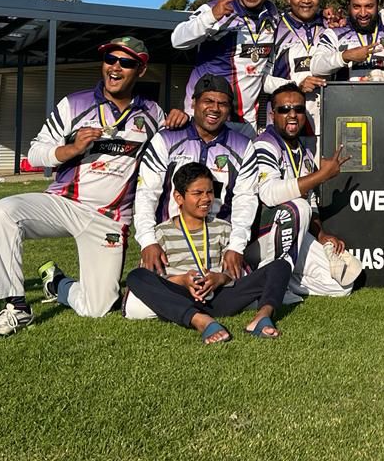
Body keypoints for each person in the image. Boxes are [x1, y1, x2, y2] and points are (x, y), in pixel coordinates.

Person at [0, 36, 187, 339]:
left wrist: (181, 119)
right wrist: (72, 148)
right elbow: (36, 152)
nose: (115, 67)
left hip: (110, 219)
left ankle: (57, 283)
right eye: (110, 60)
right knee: (3, 212)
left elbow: (175, 146)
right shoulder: (74, 103)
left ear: (140, 70)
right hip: (64, 204)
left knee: (98, 307)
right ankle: (16, 307)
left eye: (126, 62)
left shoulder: (153, 115)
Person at [125, 164, 290, 342]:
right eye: (198, 193)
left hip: (219, 296)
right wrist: (182, 280)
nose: (206, 199)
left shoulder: (223, 228)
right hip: (180, 295)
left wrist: (219, 278)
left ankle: (261, 318)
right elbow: (155, 279)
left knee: (281, 266)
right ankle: (200, 320)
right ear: (179, 198)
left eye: (210, 192)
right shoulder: (160, 233)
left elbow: (233, 272)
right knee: (136, 276)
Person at [133, 74, 258, 282]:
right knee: (142, 306)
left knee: (246, 296)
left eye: (223, 104)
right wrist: (148, 241)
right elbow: (147, 193)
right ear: (193, 102)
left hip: (219, 239)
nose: (215, 109)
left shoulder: (243, 146)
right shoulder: (166, 138)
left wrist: (235, 246)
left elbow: (245, 199)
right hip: (171, 239)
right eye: (208, 101)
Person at [253, 84, 363, 296]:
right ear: (272, 114)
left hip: (292, 233)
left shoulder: (304, 151)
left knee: (341, 288)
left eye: (299, 109)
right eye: (284, 109)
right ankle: (269, 283)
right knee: (298, 207)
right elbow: (268, 194)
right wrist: (322, 175)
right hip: (261, 238)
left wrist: (321, 234)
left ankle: (275, 281)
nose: (292, 115)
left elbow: (311, 200)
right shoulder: (264, 144)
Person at [171, 0, 290, 134]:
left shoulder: (272, 16)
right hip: (207, 118)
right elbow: (178, 40)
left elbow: (259, 75)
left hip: (246, 123)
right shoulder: (218, 8)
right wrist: (212, 16)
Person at [310, 0, 384, 82]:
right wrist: (344, 57)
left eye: (369, 6)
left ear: (377, 6)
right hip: (345, 97)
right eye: (356, 7)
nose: (363, 13)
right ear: (349, 6)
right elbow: (315, 67)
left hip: (382, 97)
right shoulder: (334, 34)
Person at [276, 0, 331, 135]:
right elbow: (260, 79)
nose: (306, 0)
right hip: (288, 122)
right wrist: (296, 85)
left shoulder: (331, 25)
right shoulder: (273, 27)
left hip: (328, 120)